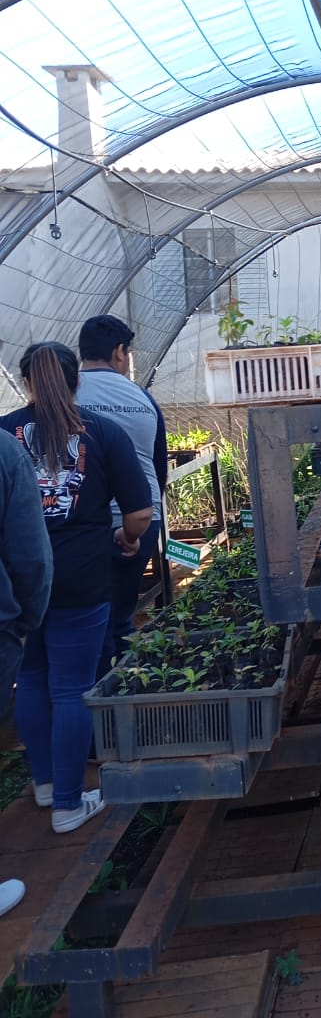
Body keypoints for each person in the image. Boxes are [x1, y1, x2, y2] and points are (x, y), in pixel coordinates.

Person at [0, 343, 152, 833]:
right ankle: (69, 805)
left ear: (27, 382)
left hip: (19, 581)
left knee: (32, 679)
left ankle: (45, 785)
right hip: (82, 577)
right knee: (72, 689)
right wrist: (127, 539)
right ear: (76, 381)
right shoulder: (102, 432)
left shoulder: (3, 435)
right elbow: (140, 514)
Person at [76, 315, 167, 679]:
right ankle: (126, 688)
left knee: (89, 618)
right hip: (140, 519)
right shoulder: (142, 398)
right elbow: (158, 467)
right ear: (119, 352)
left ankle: (95, 693)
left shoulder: (67, 393)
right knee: (120, 615)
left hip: (84, 525)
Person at [0, 426, 53, 914]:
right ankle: (64, 795)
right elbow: (29, 555)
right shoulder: (4, 451)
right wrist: (25, 621)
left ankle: (48, 786)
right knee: (71, 684)